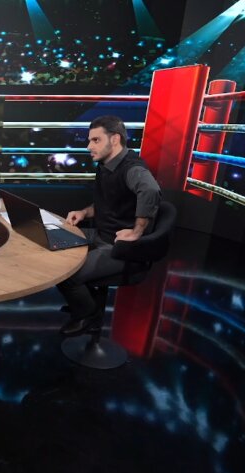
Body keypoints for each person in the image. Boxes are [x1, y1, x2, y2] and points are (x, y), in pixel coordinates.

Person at [56, 115, 161, 336]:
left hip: (119, 246)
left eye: (95, 140)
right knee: (56, 238)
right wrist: (84, 213)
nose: (89, 146)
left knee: (66, 274)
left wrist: (137, 231)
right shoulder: (106, 164)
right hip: (101, 233)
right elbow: (110, 201)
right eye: (90, 140)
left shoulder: (132, 168)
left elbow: (150, 190)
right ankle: (83, 303)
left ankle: (87, 315)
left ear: (114, 140)